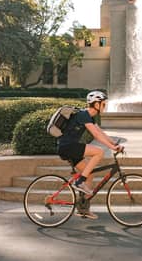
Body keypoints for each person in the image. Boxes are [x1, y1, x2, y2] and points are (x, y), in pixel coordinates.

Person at [57, 89, 122, 217]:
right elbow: (96, 135)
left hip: (69, 148)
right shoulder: (84, 115)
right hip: (68, 147)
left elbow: (100, 132)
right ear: (96, 104)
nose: (105, 106)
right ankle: (80, 182)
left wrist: (113, 143)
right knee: (99, 152)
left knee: (90, 174)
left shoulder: (89, 117)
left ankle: (83, 208)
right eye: (103, 104)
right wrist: (111, 147)